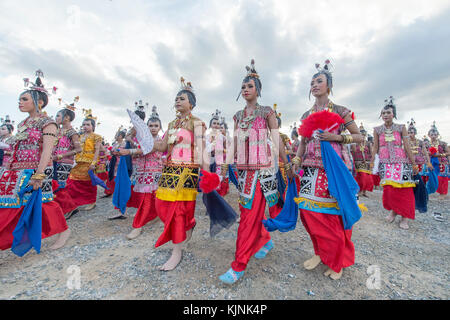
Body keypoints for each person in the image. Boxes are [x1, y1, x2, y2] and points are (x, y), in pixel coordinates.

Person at [219, 59, 291, 284]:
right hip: (244, 171)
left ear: (258, 90)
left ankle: (238, 266)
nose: (245, 89)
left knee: (252, 216)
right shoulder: (238, 116)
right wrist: (226, 162)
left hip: (266, 171)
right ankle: (265, 240)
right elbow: (233, 141)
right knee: (251, 213)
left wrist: (286, 162)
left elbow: (276, 138)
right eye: (243, 87)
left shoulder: (267, 112)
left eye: (249, 86)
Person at [292, 60, 362, 280]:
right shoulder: (306, 115)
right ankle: (319, 252)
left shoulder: (341, 111)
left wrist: (336, 137)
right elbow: (302, 142)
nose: (314, 85)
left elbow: (359, 137)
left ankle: (336, 260)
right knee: (309, 213)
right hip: (309, 171)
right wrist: (296, 160)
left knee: (330, 216)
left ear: (329, 86)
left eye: (319, 81)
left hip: (332, 170)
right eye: (312, 82)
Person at [0, 70, 70, 252]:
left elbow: (47, 149)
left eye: (24, 99)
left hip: (37, 169)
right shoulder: (23, 124)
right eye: (20, 100)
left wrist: (39, 175)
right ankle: (9, 239)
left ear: (39, 102)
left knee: (44, 201)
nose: (20, 103)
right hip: (16, 170)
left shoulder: (47, 123)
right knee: (13, 204)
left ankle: (63, 230)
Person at [151, 77, 210, 271]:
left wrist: (208, 175)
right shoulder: (171, 123)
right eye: (176, 98)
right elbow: (161, 146)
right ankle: (190, 224)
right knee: (161, 205)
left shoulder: (197, 123)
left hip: (188, 169)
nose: (177, 100)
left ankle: (176, 251)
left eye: (182, 98)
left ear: (191, 103)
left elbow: (202, 149)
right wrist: (146, 139)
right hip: (170, 169)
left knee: (177, 210)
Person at [370, 97, 418, 230]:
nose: (385, 115)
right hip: (385, 162)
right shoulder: (377, 129)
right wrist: (373, 161)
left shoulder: (401, 127)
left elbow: (407, 146)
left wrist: (413, 163)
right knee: (390, 190)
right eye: (383, 113)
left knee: (404, 189)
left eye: (388, 113)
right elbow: (375, 147)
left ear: (393, 114)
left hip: (401, 162)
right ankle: (393, 211)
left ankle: (405, 217)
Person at [120, 106, 164, 240]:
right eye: (150, 125)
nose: (153, 128)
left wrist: (130, 151)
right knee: (147, 198)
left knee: (147, 199)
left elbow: (148, 149)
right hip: (141, 172)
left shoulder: (159, 141)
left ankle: (138, 225)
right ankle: (152, 216)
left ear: (160, 127)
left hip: (154, 172)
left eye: (156, 125)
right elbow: (139, 152)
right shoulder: (141, 140)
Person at [65, 109, 102, 213]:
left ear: (93, 126)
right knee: (72, 182)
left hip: (89, 163)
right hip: (78, 162)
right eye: (84, 124)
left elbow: (97, 150)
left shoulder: (97, 137)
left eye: (88, 124)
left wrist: (94, 163)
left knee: (89, 183)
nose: (85, 126)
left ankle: (92, 201)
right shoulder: (79, 136)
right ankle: (73, 201)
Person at [52, 97, 82, 219]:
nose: (56, 118)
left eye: (58, 116)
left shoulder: (72, 132)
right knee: (54, 184)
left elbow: (79, 149)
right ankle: (63, 208)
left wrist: (61, 155)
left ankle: (69, 208)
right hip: (54, 160)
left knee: (60, 185)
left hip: (65, 162)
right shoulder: (57, 131)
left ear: (67, 118)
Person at [351, 123, 374, 197]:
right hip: (358, 162)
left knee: (366, 178)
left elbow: (371, 153)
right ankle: (359, 190)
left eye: (364, 135)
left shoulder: (368, 144)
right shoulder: (355, 143)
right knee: (360, 177)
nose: (362, 137)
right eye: (361, 135)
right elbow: (353, 152)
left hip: (366, 162)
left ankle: (364, 192)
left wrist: (371, 162)